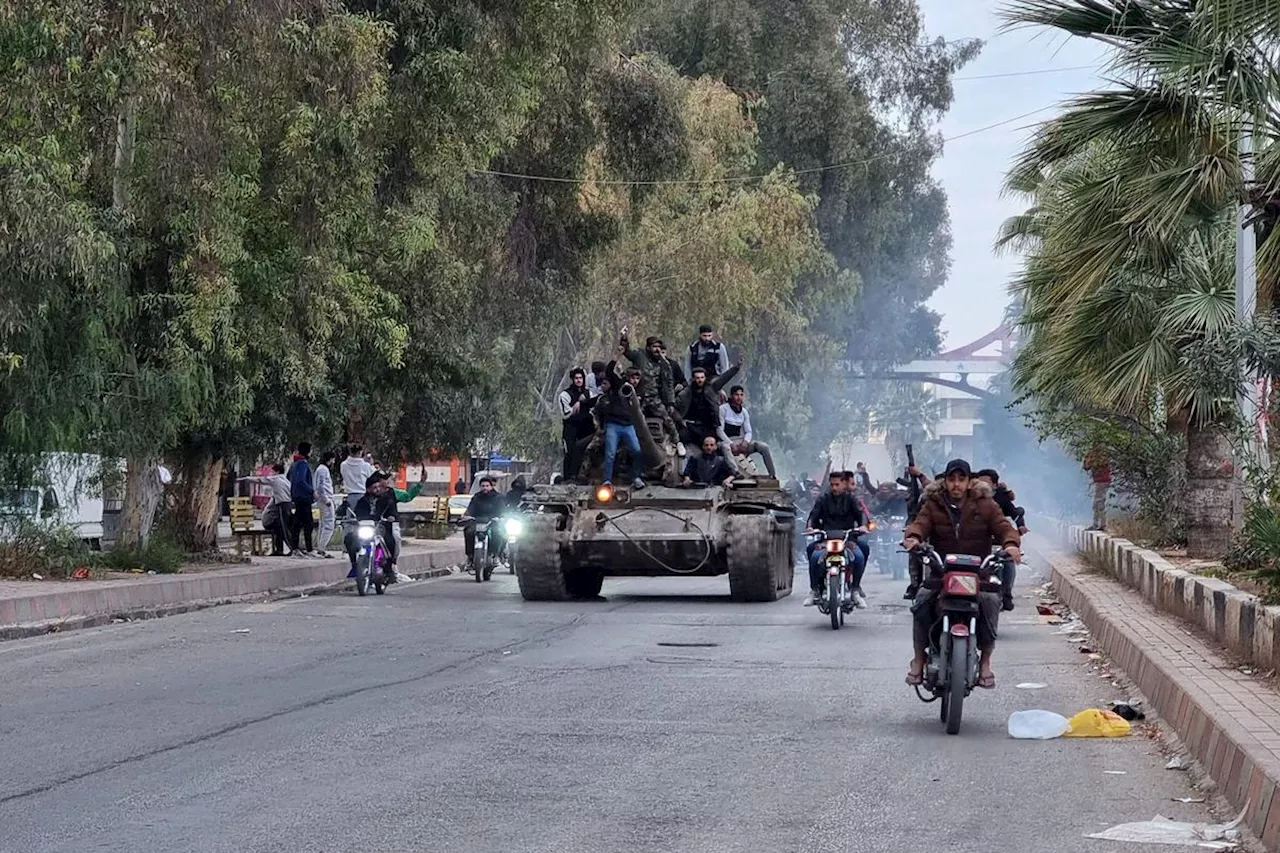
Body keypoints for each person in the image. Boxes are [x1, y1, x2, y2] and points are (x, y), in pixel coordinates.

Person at [902, 458, 1022, 689]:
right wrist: (914, 538)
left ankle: (986, 662)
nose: (956, 484)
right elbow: (921, 523)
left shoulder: (986, 504)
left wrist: (1011, 544)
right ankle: (919, 659)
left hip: (979, 575)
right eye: (951, 479)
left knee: (990, 603)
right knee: (922, 602)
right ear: (945, 482)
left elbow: (1004, 526)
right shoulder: (933, 503)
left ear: (969, 482)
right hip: (940, 573)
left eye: (961, 479)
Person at [804, 470, 870, 609]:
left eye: (837, 484)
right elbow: (813, 516)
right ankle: (815, 590)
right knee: (814, 556)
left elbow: (861, 514)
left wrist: (863, 526)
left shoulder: (852, 499)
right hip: (826, 540)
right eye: (832, 484)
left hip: (848, 540)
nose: (834, 487)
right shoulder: (823, 499)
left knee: (859, 557)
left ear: (844, 484)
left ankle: (855, 590)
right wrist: (810, 527)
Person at [622, 331, 680, 450]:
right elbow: (627, 351)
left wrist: (670, 402)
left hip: (654, 397)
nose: (657, 350)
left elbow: (669, 383)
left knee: (668, 419)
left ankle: (677, 442)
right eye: (654, 347)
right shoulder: (639, 355)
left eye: (659, 347)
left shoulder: (664, 363)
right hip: (638, 396)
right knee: (632, 419)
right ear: (648, 348)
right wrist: (624, 338)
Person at [591, 367, 647, 489]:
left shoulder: (641, 391)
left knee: (637, 451)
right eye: (633, 378)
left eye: (637, 378)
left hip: (629, 425)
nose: (635, 381)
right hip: (614, 424)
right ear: (628, 378)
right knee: (610, 453)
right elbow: (609, 372)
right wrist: (617, 357)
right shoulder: (619, 386)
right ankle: (607, 480)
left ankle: (636, 477)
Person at [673, 363, 740, 465]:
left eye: (702, 377)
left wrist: (736, 367)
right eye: (697, 378)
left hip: (708, 425)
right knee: (683, 436)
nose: (700, 380)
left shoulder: (711, 388)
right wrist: (681, 420)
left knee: (713, 444)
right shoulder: (686, 393)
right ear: (693, 379)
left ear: (705, 378)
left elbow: (724, 378)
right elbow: (673, 407)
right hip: (692, 425)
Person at [719, 385, 778, 479]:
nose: (739, 397)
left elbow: (748, 431)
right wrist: (730, 444)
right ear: (731, 396)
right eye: (736, 395)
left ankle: (772, 474)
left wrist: (745, 442)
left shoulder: (744, 412)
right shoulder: (723, 409)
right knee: (725, 447)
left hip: (741, 441)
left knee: (763, 446)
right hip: (726, 441)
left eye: (741, 395)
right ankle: (736, 473)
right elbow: (719, 431)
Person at [239, 464, 294, 556]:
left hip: (282, 504)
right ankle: (281, 549)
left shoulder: (275, 479)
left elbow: (260, 480)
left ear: (276, 471)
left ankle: (292, 548)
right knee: (282, 527)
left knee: (284, 528)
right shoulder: (286, 481)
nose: (271, 473)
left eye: (273, 471)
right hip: (288, 504)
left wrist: (247, 478)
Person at [558, 368, 595, 484]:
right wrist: (580, 407)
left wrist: (583, 404)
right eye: (576, 378)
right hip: (571, 429)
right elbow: (566, 413)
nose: (579, 380)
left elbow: (594, 409)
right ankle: (569, 478)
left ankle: (583, 476)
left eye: (581, 378)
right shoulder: (565, 395)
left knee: (587, 452)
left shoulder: (589, 393)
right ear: (573, 380)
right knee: (570, 452)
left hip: (586, 428)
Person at [464, 476, 507, 567]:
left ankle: (494, 555)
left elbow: (502, 510)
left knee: (498, 532)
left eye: (487, 485)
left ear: (491, 486)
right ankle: (470, 556)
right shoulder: (476, 497)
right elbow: (470, 509)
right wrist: (467, 516)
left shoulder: (498, 497)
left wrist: (501, 517)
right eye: (483, 486)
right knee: (468, 531)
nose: (485, 488)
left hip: (493, 522)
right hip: (478, 521)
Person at [287, 442, 315, 556]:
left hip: (296, 497)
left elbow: (289, 477)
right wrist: (312, 491)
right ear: (308, 451)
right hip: (304, 497)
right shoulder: (303, 463)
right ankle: (309, 549)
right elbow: (301, 481)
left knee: (297, 523)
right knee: (308, 523)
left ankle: (295, 548)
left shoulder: (294, 464)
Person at [314, 450, 337, 558]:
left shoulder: (320, 469)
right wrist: (326, 500)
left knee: (322, 524)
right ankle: (322, 548)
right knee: (328, 524)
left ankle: (320, 547)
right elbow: (321, 486)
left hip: (322, 500)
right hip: (326, 500)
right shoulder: (323, 470)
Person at [1084, 447, 1111, 531]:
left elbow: (1089, 465)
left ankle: (1100, 524)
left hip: (1102, 481)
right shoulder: (1097, 455)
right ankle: (1099, 524)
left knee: (1098, 502)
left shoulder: (1101, 456)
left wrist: (1090, 458)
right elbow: (1086, 466)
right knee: (1098, 502)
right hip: (1100, 481)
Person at [341, 444, 373, 510]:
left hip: (349, 495)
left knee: (351, 516)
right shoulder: (365, 465)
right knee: (363, 517)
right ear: (360, 452)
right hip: (362, 495)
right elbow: (371, 476)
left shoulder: (343, 465)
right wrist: (371, 464)